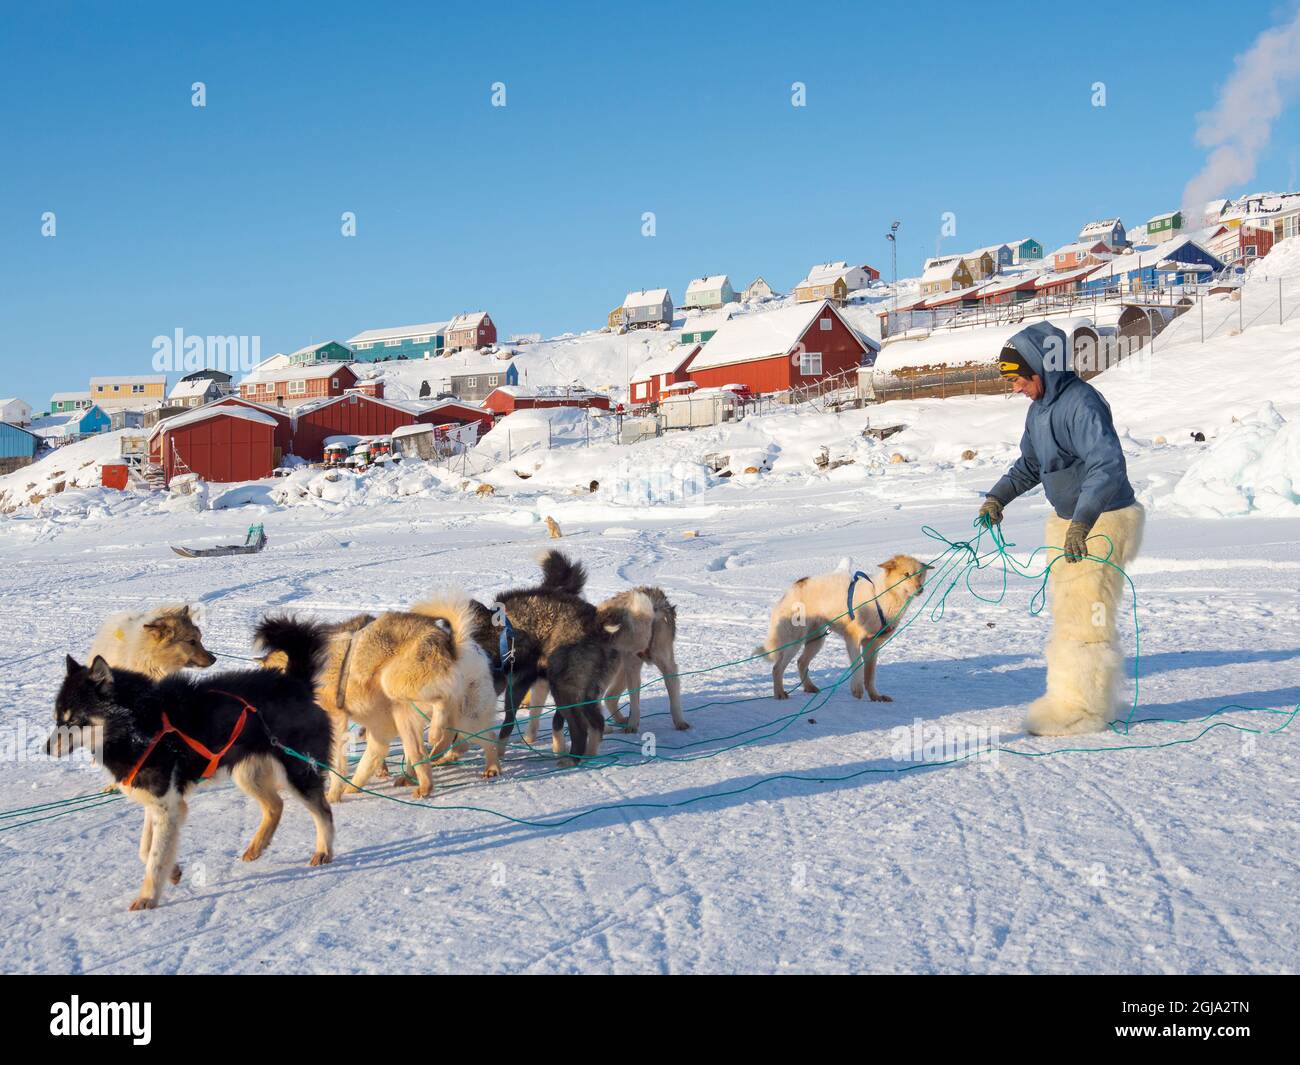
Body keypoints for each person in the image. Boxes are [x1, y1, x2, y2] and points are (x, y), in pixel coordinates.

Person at [977, 322, 1144, 736]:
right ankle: (1079, 699)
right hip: (1070, 523)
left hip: (1103, 522)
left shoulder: (1082, 403)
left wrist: (1084, 522)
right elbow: (1031, 465)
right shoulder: (1039, 411)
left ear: (1040, 371)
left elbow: (1107, 466)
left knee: (1088, 619)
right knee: (1071, 616)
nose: (1015, 388)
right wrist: (999, 497)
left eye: (1017, 379)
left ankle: (1081, 711)